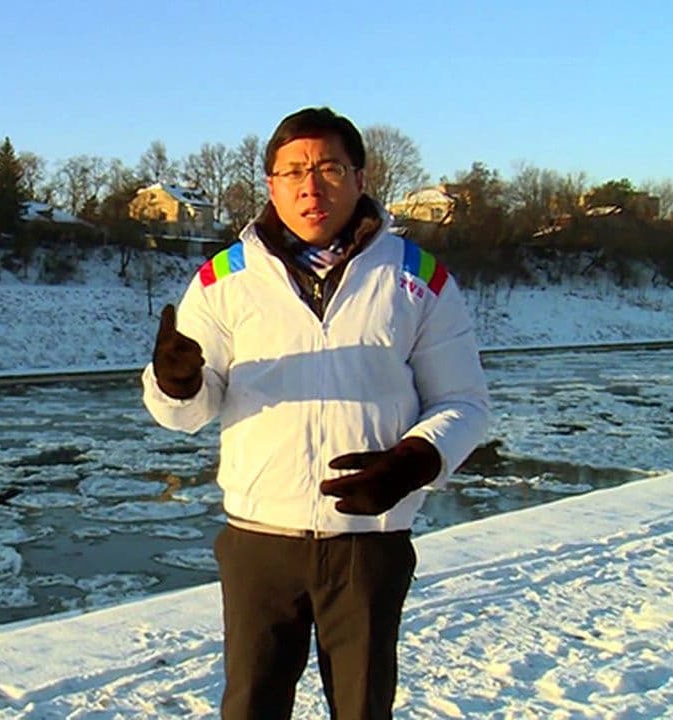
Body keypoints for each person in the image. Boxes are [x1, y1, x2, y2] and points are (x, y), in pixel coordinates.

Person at [141, 107, 490, 719]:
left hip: (368, 545)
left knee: (361, 708)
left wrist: (413, 463)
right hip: (259, 544)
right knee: (250, 707)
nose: (311, 185)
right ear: (270, 184)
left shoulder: (418, 278)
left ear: (359, 176)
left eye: (329, 167)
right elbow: (190, 411)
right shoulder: (224, 279)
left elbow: (464, 403)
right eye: (292, 171)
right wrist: (175, 384)